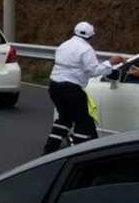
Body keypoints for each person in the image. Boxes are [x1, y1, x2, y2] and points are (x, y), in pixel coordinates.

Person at [42, 22, 125, 154]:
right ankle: (76, 153)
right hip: (71, 89)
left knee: (64, 119)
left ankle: (48, 151)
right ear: (92, 36)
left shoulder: (64, 45)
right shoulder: (87, 49)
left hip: (54, 86)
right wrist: (110, 62)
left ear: (74, 32)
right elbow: (93, 71)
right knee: (83, 123)